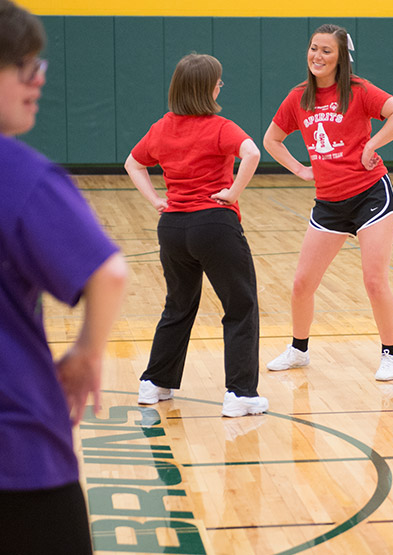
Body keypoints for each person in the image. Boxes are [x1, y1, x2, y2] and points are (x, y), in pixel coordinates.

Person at [0, 1, 127, 553]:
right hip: (18, 454)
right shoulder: (20, 174)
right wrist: (86, 352)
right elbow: (110, 273)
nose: (38, 78)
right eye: (24, 64)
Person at [264, 24, 393, 381]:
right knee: (302, 283)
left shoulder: (358, 90)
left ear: (341, 57)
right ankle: (298, 349)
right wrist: (300, 170)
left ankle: (390, 354)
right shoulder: (299, 96)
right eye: (313, 48)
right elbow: (272, 139)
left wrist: (371, 145)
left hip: (370, 195)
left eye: (326, 51)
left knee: (374, 279)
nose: (317, 56)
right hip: (329, 202)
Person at [125, 53, 269, 417]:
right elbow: (251, 153)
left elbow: (133, 162)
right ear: (208, 88)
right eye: (218, 81)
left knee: (178, 304)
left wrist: (156, 200)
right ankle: (240, 394)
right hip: (214, 225)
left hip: (172, 228)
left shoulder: (162, 127)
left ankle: (154, 383)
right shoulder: (219, 127)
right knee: (241, 306)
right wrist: (233, 193)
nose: (221, 86)